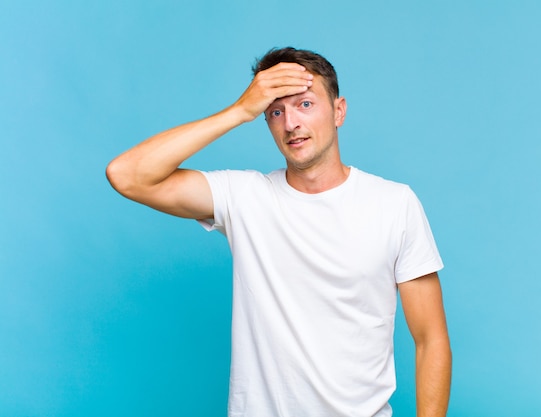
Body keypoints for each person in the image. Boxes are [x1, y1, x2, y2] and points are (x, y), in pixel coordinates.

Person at [106, 47, 451, 417]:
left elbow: (430, 340)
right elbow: (127, 175)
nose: (290, 123)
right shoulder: (244, 197)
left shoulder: (394, 204)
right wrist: (239, 111)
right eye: (275, 110)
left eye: (305, 104)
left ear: (339, 111)